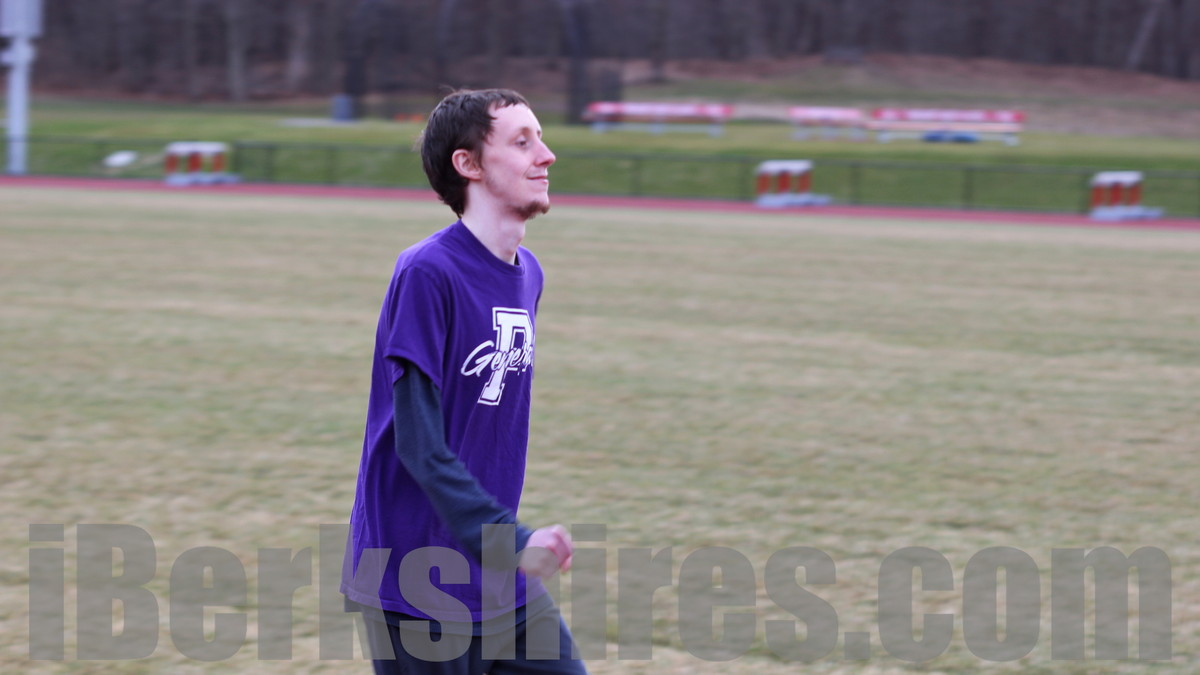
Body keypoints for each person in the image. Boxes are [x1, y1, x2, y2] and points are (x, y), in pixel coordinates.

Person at [341, 88, 586, 674]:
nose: (546, 155)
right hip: (417, 577)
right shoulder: (427, 272)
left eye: (541, 138)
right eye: (522, 142)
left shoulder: (528, 275)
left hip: (499, 577)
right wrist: (509, 538)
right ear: (468, 164)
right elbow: (419, 444)